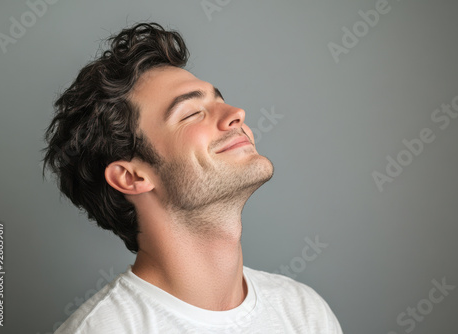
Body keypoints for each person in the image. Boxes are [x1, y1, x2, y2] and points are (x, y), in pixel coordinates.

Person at [43, 22, 343, 333]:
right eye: (190, 113)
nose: (236, 113)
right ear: (131, 177)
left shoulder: (304, 312)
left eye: (219, 100)